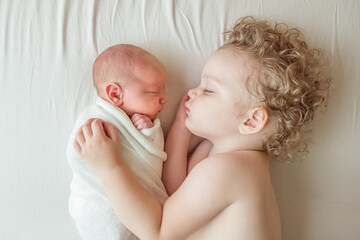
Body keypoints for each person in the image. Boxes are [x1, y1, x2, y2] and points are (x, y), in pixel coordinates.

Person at [74, 17, 330, 239]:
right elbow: (174, 195)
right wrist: (180, 130)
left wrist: (110, 166)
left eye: (208, 89)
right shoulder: (228, 157)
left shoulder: (229, 170)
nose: (192, 92)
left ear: (251, 121)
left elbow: (158, 231)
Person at [67, 44, 169, 240]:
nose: (164, 98)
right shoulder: (94, 119)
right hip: (99, 209)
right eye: (154, 92)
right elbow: (78, 155)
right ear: (115, 94)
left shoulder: (144, 123)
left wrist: (149, 131)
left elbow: (153, 156)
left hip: (141, 215)